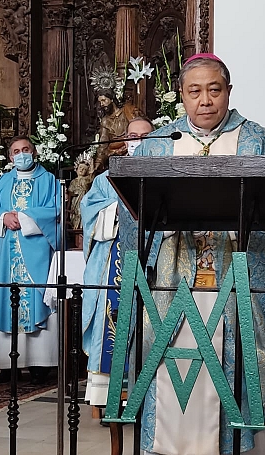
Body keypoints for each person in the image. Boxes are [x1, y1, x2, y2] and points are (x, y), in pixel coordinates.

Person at [120, 54, 265, 455]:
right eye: (194, 91)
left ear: (228, 90)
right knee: (169, 375)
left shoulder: (259, 141)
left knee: (239, 373)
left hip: (238, 286)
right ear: (181, 95)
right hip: (171, 289)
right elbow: (131, 212)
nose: (205, 100)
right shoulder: (158, 145)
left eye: (214, 89)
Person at [81, 116, 154, 407]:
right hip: (113, 260)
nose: (138, 141)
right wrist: (120, 211)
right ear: (124, 140)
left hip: (149, 263)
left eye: (146, 136)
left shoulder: (163, 173)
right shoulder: (106, 177)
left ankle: (146, 398)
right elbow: (90, 213)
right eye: (133, 135)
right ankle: (108, 397)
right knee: (110, 325)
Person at [0, 136, 61, 385]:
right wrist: (3, 217)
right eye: (16, 151)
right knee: (8, 303)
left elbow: (57, 209)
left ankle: (40, 365)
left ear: (34, 152)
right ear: (11, 157)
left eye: (26, 149)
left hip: (36, 252)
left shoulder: (49, 181)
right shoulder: (3, 182)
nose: (21, 154)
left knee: (38, 301)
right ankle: (8, 366)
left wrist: (24, 218)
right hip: (7, 255)